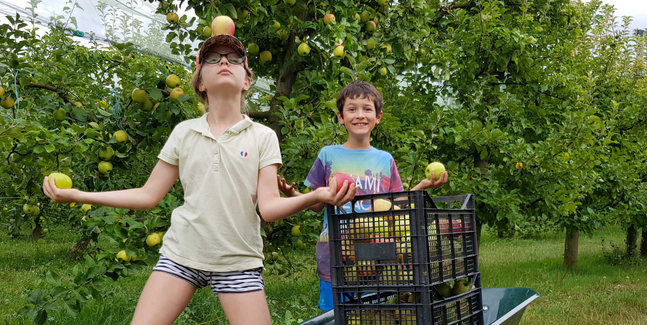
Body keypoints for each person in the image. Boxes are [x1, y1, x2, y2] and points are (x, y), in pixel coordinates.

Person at [42, 31, 357, 325]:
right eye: (213, 58)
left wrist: (316, 196)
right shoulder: (184, 133)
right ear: (201, 83)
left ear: (247, 81)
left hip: (239, 261)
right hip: (182, 255)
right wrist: (79, 195)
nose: (223, 62)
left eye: (234, 59)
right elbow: (148, 195)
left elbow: (269, 209)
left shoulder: (263, 137)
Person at [278, 81, 449, 311]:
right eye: (352, 109)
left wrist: (422, 185)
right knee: (335, 314)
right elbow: (317, 204)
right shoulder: (328, 155)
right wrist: (294, 194)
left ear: (378, 116)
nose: (360, 115)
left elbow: (393, 204)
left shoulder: (385, 159)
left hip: (375, 254)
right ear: (340, 117)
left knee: (372, 314)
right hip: (335, 254)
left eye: (367, 109)